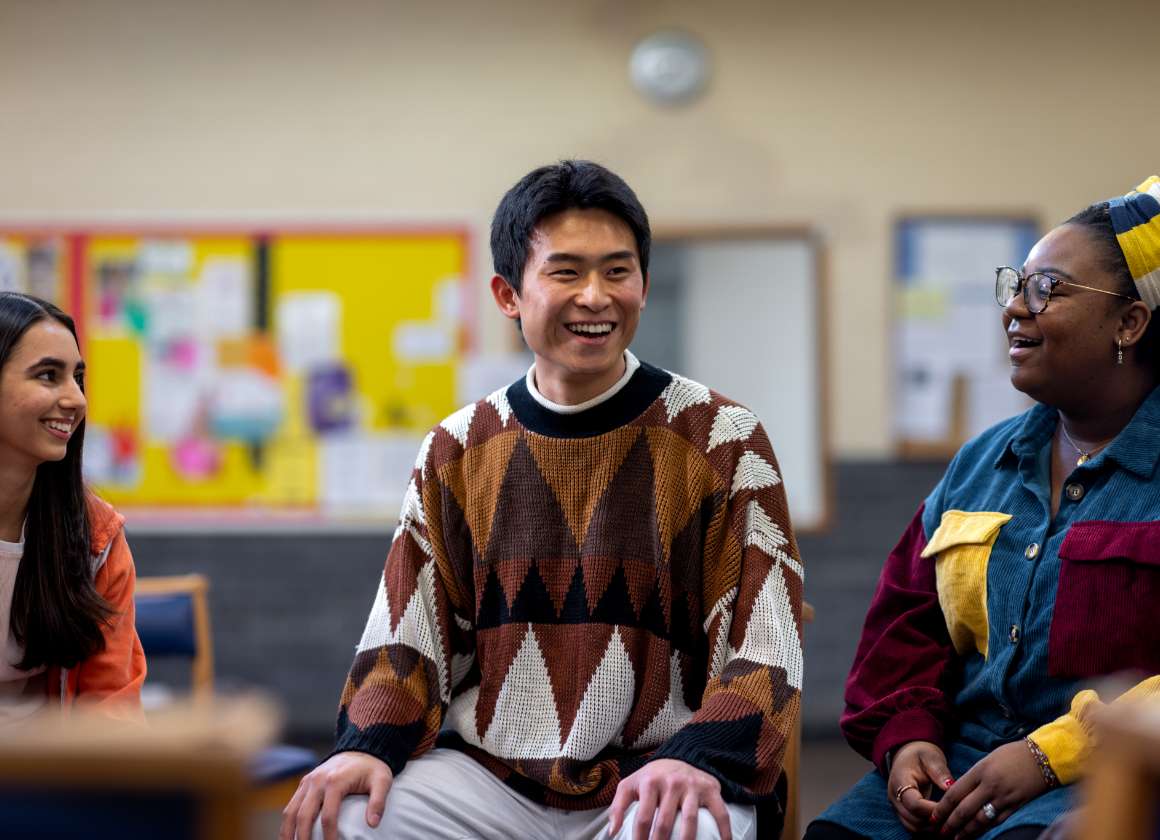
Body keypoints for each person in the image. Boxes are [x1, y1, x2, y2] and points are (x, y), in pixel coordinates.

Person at [281, 160, 804, 840]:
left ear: (643, 286)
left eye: (618, 271)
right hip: (487, 776)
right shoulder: (457, 447)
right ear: (508, 293)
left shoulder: (722, 437)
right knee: (347, 816)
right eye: (566, 272)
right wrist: (364, 743)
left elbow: (770, 636)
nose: (596, 296)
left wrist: (699, 756)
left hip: (661, 768)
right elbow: (405, 636)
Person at [805, 175, 1160, 840]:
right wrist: (907, 742)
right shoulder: (981, 463)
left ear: (1129, 322)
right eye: (1015, 286)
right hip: (961, 765)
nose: (1014, 309)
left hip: (1111, 775)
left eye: (1047, 289)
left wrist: (1046, 757)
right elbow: (907, 624)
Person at [0, 292, 146, 725]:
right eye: (48, 375)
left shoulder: (93, 535)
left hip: (53, 778)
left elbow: (111, 710)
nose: (76, 399)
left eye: (76, 378)